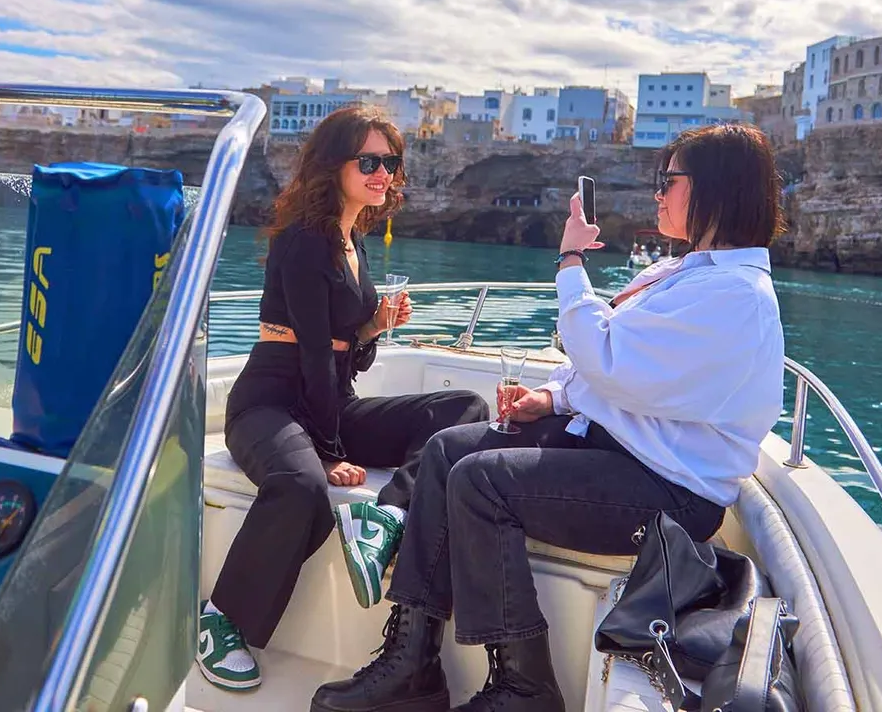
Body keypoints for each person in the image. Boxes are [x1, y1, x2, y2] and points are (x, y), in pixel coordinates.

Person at [310, 122, 787, 712]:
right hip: (624, 449)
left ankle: (524, 687)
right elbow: (622, 366)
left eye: (669, 180)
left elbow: (610, 358)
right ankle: (412, 662)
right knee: (447, 449)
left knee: (482, 483)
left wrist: (569, 260)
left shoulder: (735, 295)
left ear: (718, 188)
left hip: (669, 489)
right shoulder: (684, 274)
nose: (658, 193)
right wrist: (556, 399)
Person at [196, 106, 489, 692]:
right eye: (371, 161)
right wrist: (328, 454)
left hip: (327, 397)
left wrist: (373, 329)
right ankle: (220, 621)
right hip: (270, 403)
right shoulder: (305, 240)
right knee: (301, 486)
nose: (385, 173)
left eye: (392, 163)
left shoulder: (352, 240)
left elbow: (342, 358)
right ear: (335, 165)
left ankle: (386, 516)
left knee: (461, 410)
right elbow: (307, 354)